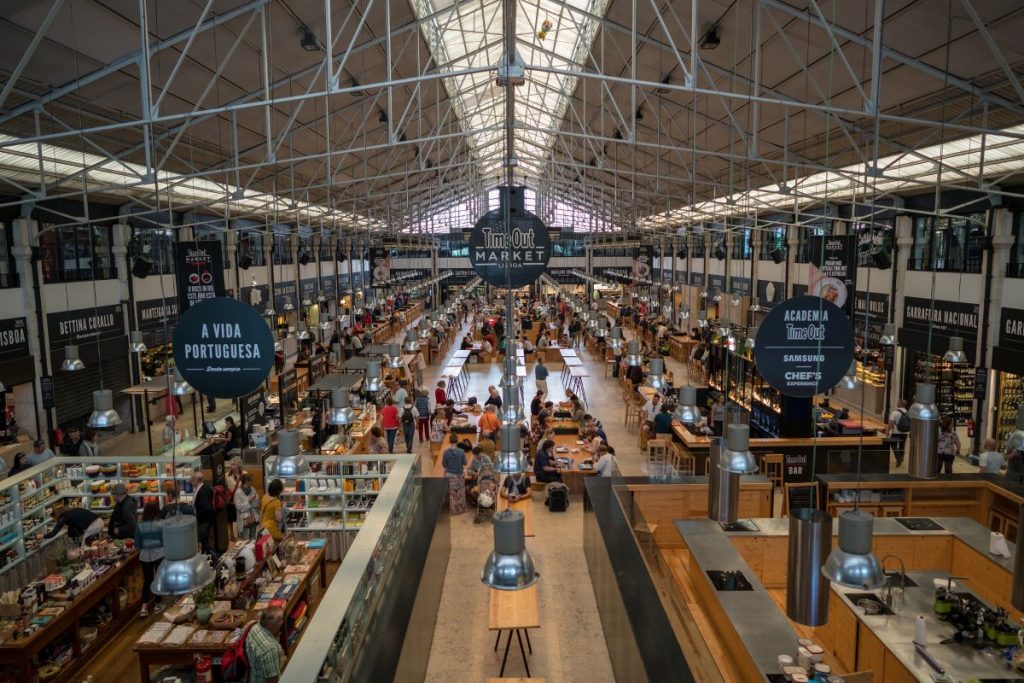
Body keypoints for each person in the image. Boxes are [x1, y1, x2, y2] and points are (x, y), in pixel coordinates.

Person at [135, 501, 164, 617]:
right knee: (158, 579)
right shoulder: (161, 524)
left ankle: (143, 607)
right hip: (159, 554)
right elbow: (164, 541)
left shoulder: (139, 525)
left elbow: (137, 544)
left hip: (145, 556)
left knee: (147, 581)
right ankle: (158, 604)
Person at [244, 607, 286, 683]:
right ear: (271, 625)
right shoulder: (271, 649)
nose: (282, 623)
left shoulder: (251, 625)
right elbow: (272, 679)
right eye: (280, 621)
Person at [442, 436, 468, 514]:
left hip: (450, 475)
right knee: (460, 491)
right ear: (457, 441)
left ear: (450, 442)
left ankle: (453, 510)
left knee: (452, 493)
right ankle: (461, 509)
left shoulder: (446, 452)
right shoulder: (461, 451)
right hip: (459, 475)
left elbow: (444, 464)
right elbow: (465, 463)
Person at [192, 472, 215, 554]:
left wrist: (197, 516)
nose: (191, 482)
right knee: (207, 541)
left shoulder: (202, 492)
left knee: (205, 542)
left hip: (204, 521)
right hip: (206, 520)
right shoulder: (205, 487)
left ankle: (209, 558)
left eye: (193, 480)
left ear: (197, 480)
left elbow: (207, 508)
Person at [234, 472, 260, 540]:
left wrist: (256, 499)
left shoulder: (253, 489)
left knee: (253, 538)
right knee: (245, 540)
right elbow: (239, 507)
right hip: (244, 520)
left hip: (253, 518)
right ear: (246, 481)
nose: (252, 482)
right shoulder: (238, 493)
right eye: (251, 481)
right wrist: (248, 501)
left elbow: (256, 504)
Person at [886, 398, 910, 467]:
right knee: (902, 446)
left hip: (896, 432)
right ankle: (901, 458)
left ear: (899, 404)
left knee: (893, 445)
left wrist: (888, 430)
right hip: (905, 433)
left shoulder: (895, 412)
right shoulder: (908, 413)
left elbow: (891, 423)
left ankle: (898, 458)